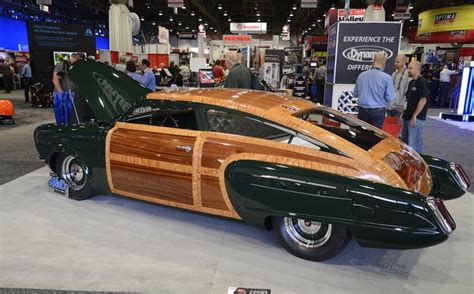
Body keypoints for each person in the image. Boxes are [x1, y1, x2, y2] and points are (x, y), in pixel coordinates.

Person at [353, 52, 396, 129]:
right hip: (378, 111)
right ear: (384, 63)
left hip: (362, 110)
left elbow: (355, 94)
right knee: (375, 135)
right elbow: (391, 98)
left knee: (361, 134)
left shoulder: (361, 75)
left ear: (373, 61)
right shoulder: (386, 78)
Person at [401, 61, 428, 154]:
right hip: (407, 116)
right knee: (405, 142)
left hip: (416, 118)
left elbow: (423, 100)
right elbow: (408, 99)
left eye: (411, 68)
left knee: (414, 144)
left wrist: (415, 115)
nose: (408, 70)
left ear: (417, 69)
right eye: (408, 68)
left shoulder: (422, 82)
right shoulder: (411, 82)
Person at [52, 53, 82, 124]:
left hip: (71, 95)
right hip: (62, 96)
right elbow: (55, 79)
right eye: (77, 59)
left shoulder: (75, 66)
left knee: (71, 116)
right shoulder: (62, 65)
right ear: (72, 57)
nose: (77, 61)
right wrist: (62, 93)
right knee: (63, 116)